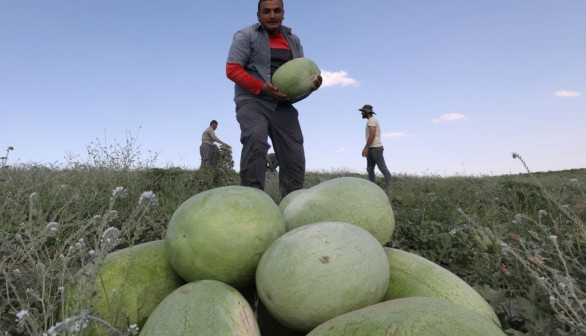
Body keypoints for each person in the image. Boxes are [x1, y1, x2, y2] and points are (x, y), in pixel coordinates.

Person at [226, 0, 322, 197]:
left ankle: (291, 203)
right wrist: (262, 88)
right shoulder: (246, 36)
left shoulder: (293, 40)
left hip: (282, 105)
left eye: (277, 11)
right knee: (255, 138)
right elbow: (232, 69)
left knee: (294, 154)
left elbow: (299, 75)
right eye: (267, 11)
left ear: (283, 13)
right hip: (252, 100)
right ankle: (252, 201)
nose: (272, 15)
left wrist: (311, 87)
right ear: (258, 15)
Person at [359, 104, 393, 190]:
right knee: (369, 169)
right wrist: (367, 148)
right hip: (372, 148)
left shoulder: (371, 120)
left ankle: (390, 188)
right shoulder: (371, 120)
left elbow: (372, 134)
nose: (361, 113)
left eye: (362, 111)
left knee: (382, 168)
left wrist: (366, 147)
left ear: (366, 112)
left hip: (375, 148)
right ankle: (373, 189)